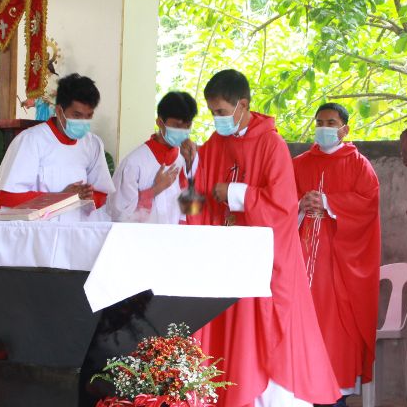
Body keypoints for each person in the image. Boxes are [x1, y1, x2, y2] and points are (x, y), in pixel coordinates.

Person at [186, 69, 340, 407]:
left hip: (264, 264)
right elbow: (198, 199)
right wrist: (189, 172)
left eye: (222, 112)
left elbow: (282, 207)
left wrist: (237, 193)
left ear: (243, 105)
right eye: (212, 113)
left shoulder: (271, 144)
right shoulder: (213, 146)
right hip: (226, 263)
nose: (217, 119)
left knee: (263, 343)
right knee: (229, 339)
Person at [292, 103, 381, 407]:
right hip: (300, 269)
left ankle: (332, 398)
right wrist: (300, 206)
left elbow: (367, 206)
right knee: (298, 341)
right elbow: (279, 205)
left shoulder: (358, 165)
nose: (324, 127)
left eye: (331, 122)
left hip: (337, 273)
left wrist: (330, 203)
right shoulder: (299, 164)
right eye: (319, 122)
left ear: (345, 128)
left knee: (333, 342)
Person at [0, 73, 114, 208]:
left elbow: (102, 195)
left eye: (88, 116)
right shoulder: (30, 140)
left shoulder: (93, 144)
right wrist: (60, 197)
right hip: (41, 228)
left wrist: (89, 197)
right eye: (76, 115)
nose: (82, 122)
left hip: (77, 226)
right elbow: (8, 197)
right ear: (59, 111)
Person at [108, 91, 198, 223]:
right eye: (177, 126)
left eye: (187, 126)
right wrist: (155, 190)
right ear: (160, 122)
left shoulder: (184, 159)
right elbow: (118, 214)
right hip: (140, 239)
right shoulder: (134, 163)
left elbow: (189, 210)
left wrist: (191, 166)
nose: (183, 131)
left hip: (174, 240)